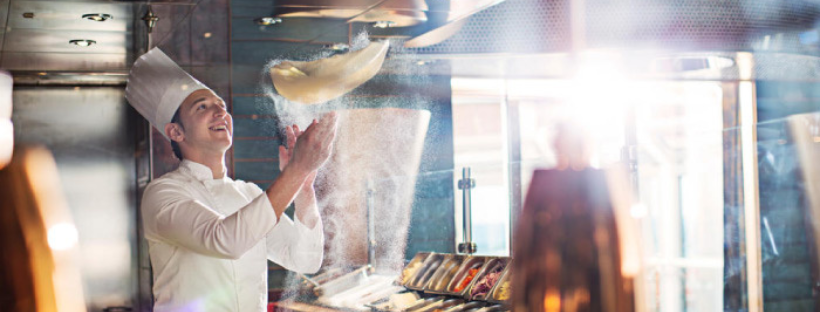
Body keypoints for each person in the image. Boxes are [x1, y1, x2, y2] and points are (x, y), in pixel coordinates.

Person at [125, 48, 337, 312]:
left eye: (222, 107)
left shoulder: (247, 193)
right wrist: (295, 171)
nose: (220, 113)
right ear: (175, 131)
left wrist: (303, 184)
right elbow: (226, 240)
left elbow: (305, 259)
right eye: (202, 106)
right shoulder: (162, 194)